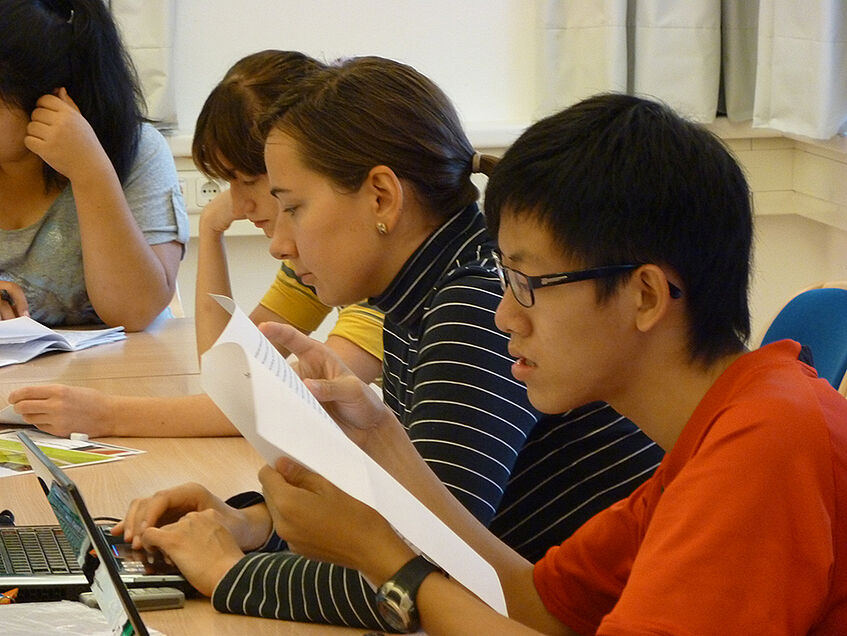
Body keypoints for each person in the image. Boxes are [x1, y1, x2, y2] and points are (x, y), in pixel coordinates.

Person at [217, 93, 847, 634]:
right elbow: (533, 602)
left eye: (529, 282)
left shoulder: (763, 444)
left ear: (646, 296)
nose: (505, 316)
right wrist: (383, 440)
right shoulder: (710, 436)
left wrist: (384, 560)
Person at [115, 60, 663, 630]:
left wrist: (230, 574)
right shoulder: (420, 291)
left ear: (381, 197)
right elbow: (403, 526)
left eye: (294, 208)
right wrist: (252, 523)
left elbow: (423, 565)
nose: (279, 243)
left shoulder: (470, 302)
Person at [4, 50, 384, 437]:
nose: (239, 203)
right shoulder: (315, 262)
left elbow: (279, 405)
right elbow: (227, 370)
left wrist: (108, 415)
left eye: (247, 180)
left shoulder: (383, 281)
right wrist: (214, 232)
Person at [0, 0, 188, 330]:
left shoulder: (138, 151)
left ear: (48, 99)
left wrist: (90, 170)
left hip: (126, 374)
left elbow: (134, 312)